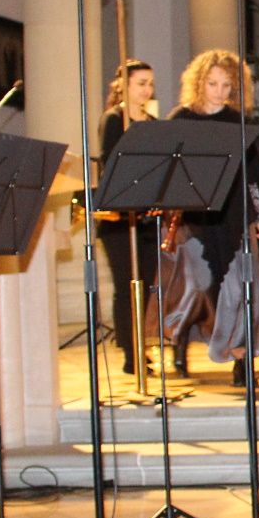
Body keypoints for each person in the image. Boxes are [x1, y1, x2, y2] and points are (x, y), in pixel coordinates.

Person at [163, 50, 259, 387]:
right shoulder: (180, 119)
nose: (219, 91)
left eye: (226, 85)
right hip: (194, 216)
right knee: (197, 285)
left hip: (233, 214)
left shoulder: (237, 122)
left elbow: (252, 177)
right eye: (212, 83)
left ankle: (243, 360)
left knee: (240, 288)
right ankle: (181, 342)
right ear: (199, 83)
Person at [96, 60, 160, 375]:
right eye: (141, 83)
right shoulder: (113, 119)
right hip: (118, 218)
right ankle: (130, 352)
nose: (147, 89)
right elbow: (111, 164)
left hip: (147, 216)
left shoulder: (153, 122)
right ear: (124, 85)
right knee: (126, 285)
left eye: (150, 84)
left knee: (145, 285)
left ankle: (141, 345)